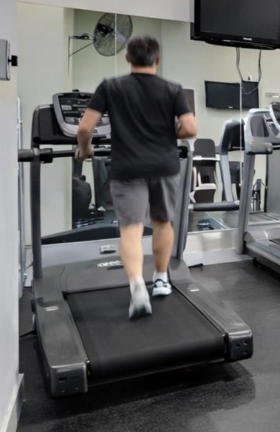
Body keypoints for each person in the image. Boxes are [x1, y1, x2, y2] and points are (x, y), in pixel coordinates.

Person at [75, 35, 197, 319]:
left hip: (127, 167)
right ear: (157, 60)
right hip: (164, 166)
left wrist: (85, 151)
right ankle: (161, 278)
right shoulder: (172, 89)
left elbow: (84, 129)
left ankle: (137, 286)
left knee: (130, 229)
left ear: (128, 59)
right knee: (163, 222)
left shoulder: (110, 86)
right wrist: (170, 134)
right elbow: (190, 129)